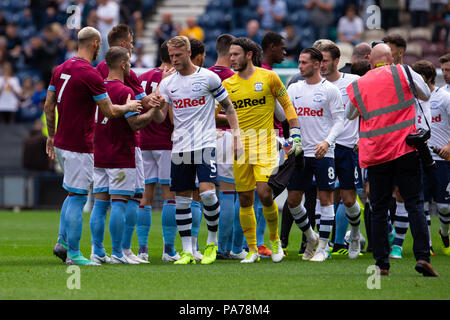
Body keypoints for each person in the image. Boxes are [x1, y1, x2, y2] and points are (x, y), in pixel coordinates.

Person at [45, 26, 141, 266]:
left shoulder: (60, 68)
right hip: (79, 145)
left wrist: (50, 135)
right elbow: (109, 110)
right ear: (97, 44)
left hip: (61, 143)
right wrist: (129, 107)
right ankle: (74, 254)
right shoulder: (90, 74)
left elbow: (48, 105)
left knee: (71, 193)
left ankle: (63, 240)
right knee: (78, 198)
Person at [345, 43, 438, 277]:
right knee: (414, 202)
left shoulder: (359, 83)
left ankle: (382, 264)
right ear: (391, 58)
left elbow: (349, 113)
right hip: (405, 148)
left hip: (376, 153)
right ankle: (422, 257)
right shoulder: (403, 72)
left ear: (370, 60)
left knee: (378, 209)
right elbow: (426, 94)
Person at [151, 35, 241, 265]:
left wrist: (237, 135)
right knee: (181, 199)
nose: (173, 60)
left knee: (208, 192)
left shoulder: (208, 77)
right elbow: (163, 118)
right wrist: (157, 107)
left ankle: (211, 243)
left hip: (205, 142)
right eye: (170, 56)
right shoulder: (167, 83)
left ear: (188, 53)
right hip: (180, 145)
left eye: (177, 55)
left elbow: (229, 108)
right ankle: (188, 251)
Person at [223, 37, 302, 263]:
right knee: (245, 199)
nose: (232, 58)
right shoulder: (228, 85)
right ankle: (251, 250)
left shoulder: (269, 77)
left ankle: (275, 241)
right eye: (230, 54)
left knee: (265, 192)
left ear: (249, 55)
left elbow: (287, 105)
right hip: (240, 146)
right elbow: (218, 112)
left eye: (236, 54)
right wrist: (230, 120)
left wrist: (295, 132)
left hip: (265, 142)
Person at [90, 46, 162, 264]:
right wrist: (152, 111)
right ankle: (119, 252)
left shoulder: (98, 87)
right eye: (129, 62)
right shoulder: (124, 92)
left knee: (100, 204)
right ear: (122, 64)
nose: (131, 66)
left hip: (99, 153)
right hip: (120, 154)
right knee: (121, 203)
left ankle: (97, 251)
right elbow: (135, 124)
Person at [286, 47, 345, 262]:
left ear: (317, 64)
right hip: (299, 153)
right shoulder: (293, 89)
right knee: (292, 201)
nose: (299, 66)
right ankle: (311, 237)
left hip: (323, 153)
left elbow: (340, 120)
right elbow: (283, 116)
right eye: (299, 62)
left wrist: (327, 142)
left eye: (304, 62)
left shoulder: (330, 90)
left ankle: (323, 248)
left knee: (325, 199)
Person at [319, 43, 362, 258]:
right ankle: (323, 244)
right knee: (323, 197)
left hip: (347, 147)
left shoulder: (353, 82)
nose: (322, 65)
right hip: (324, 148)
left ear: (337, 61)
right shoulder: (316, 85)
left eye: (325, 60)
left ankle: (354, 234)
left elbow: (367, 111)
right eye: (320, 61)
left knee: (348, 199)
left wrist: (362, 137)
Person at [138, 41, 179, 262]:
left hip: (144, 141)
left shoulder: (142, 76)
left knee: (145, 196)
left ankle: (142, 250)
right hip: (165, 142)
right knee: (168, 197)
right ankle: (168, 249)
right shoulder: (172, 79)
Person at [208, 34, 246, 260]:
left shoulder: (204, 75)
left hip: (209, 138)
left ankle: (220, 247)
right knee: (237, 195)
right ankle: (233, 248)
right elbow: (236, 114)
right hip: (232, 137)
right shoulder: (235, 79)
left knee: (221, 194)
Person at [411, 60, 450, 256]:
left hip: (442, 160)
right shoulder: (412, 99)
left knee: (444, 207)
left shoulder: (444, 98)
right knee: (423, 204)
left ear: (427, 78)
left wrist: (448, 146)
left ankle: (444, 233)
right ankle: (427, 245)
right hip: (419, 158)